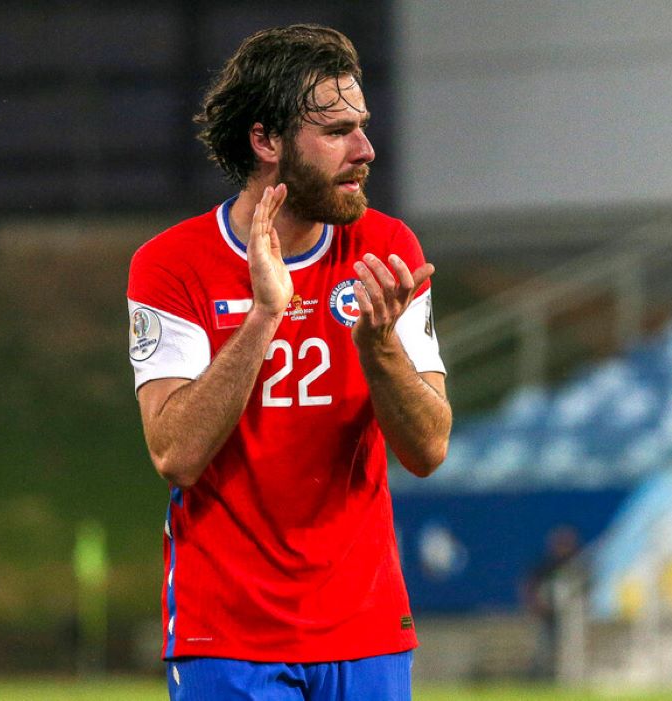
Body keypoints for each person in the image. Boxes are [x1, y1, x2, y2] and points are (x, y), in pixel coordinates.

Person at [126, 24, 451, 700]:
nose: (364, 149)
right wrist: (264, 315)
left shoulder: (386, 248)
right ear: (266, 139)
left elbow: (428, 448)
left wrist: (379, 345)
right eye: (336, 131)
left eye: (361, 126)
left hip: (364, 627)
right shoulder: (170, 266)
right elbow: (175, 454)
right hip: (228, 634)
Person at [522, 525, 581, 680]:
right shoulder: (546, 565)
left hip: (572, 615)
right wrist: (536, 605)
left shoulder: (577, 564)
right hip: (548, 614)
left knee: (569, 646)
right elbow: (529, 585)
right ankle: (541, 676)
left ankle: (567, 676)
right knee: (545, 646)